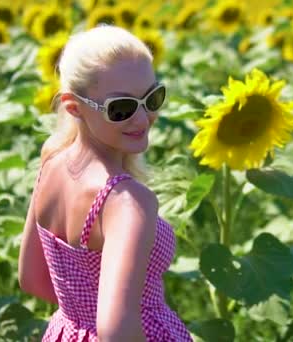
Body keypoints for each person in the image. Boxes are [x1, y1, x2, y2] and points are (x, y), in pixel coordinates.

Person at [17, 25, 193, 342]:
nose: (142, 119)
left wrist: (82, 318)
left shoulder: (52, 158)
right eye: (121, 108)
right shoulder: (125, 202)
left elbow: (32, 279)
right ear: (74, 107)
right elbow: (117, 332)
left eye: (153, 98)